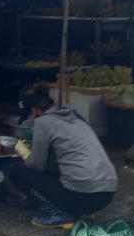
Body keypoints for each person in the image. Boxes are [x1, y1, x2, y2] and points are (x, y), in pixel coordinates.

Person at [9, 86, 118, 228]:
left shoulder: (44, 122)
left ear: (35, 110)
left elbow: (37, 166)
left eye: (28, 115)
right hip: (106, 195)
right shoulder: (75, 116)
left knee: (16, 171)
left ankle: (60, 214)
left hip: (81, 195)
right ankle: (80, 210)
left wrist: (25, 154)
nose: (30, 119)